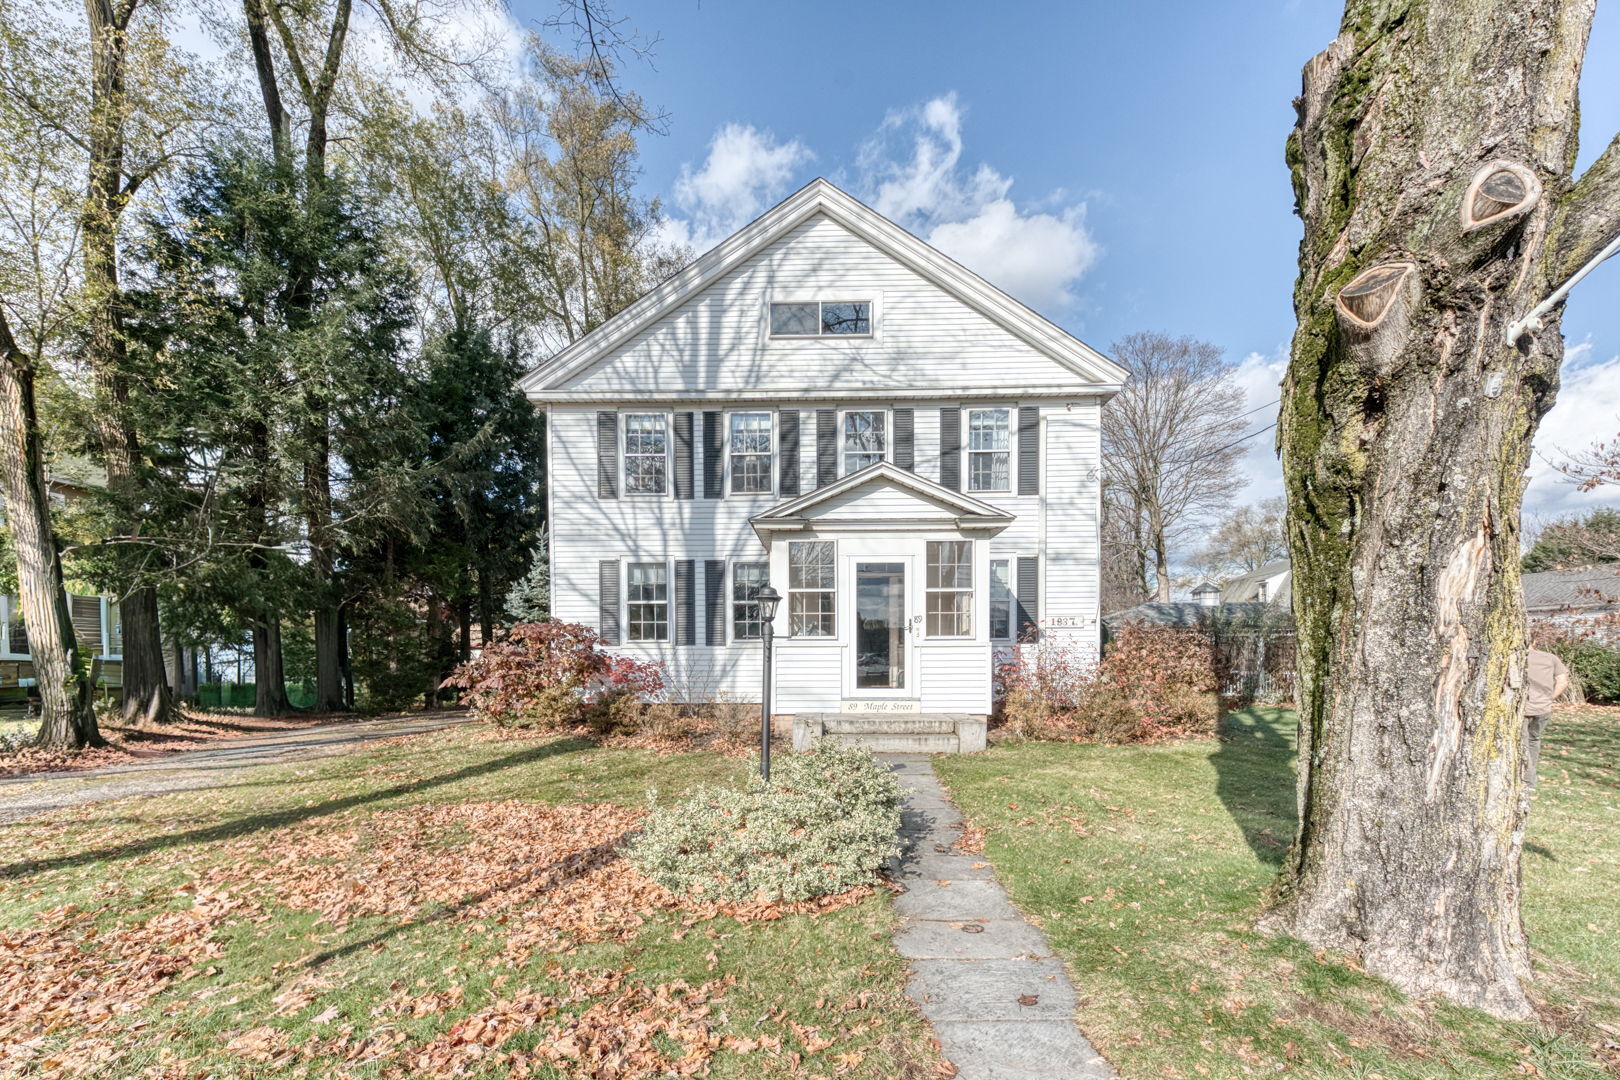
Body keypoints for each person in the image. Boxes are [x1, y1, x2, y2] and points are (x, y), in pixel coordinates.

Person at [1523, 648, 1570, 791]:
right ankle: (1528, 775)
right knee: (1533, 739)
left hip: (1523, 708)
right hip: (1544, 708)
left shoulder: (1516, 655)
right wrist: (1549, 698)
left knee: (1522, 743)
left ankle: (1529, 781)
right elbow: (1563, 681)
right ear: (1535, 641)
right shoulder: (1550, 658)